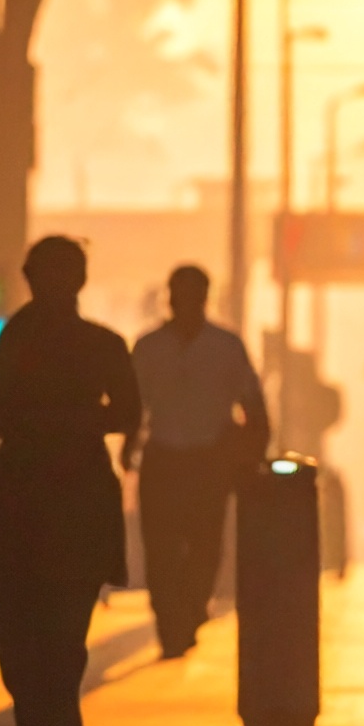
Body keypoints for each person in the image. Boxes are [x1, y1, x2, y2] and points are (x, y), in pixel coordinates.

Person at [0, 234, 142, 726]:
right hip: (46, 512)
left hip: (55, 513)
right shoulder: (38, 340)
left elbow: (126, 414)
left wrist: (56, 420)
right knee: (36, 652)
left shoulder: (86, 344)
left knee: (46, 650)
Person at [130, 265, 268, 659]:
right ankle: (169, 624)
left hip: (210, 458)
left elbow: (252, 405)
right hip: (162, 456)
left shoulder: (226, 346)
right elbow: (133, 405)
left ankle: (192, 606)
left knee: (206, 544)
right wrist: (128, 448)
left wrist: (252, 456)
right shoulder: (149, 347)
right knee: (159, 547)